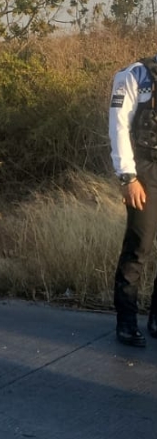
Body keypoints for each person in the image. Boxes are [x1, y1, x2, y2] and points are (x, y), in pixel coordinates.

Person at [107, 56, 157, 347]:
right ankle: (126, 321)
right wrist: (127, 177)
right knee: (139, 246)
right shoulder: (135, 75)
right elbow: (119, 127)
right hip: (145, 170)